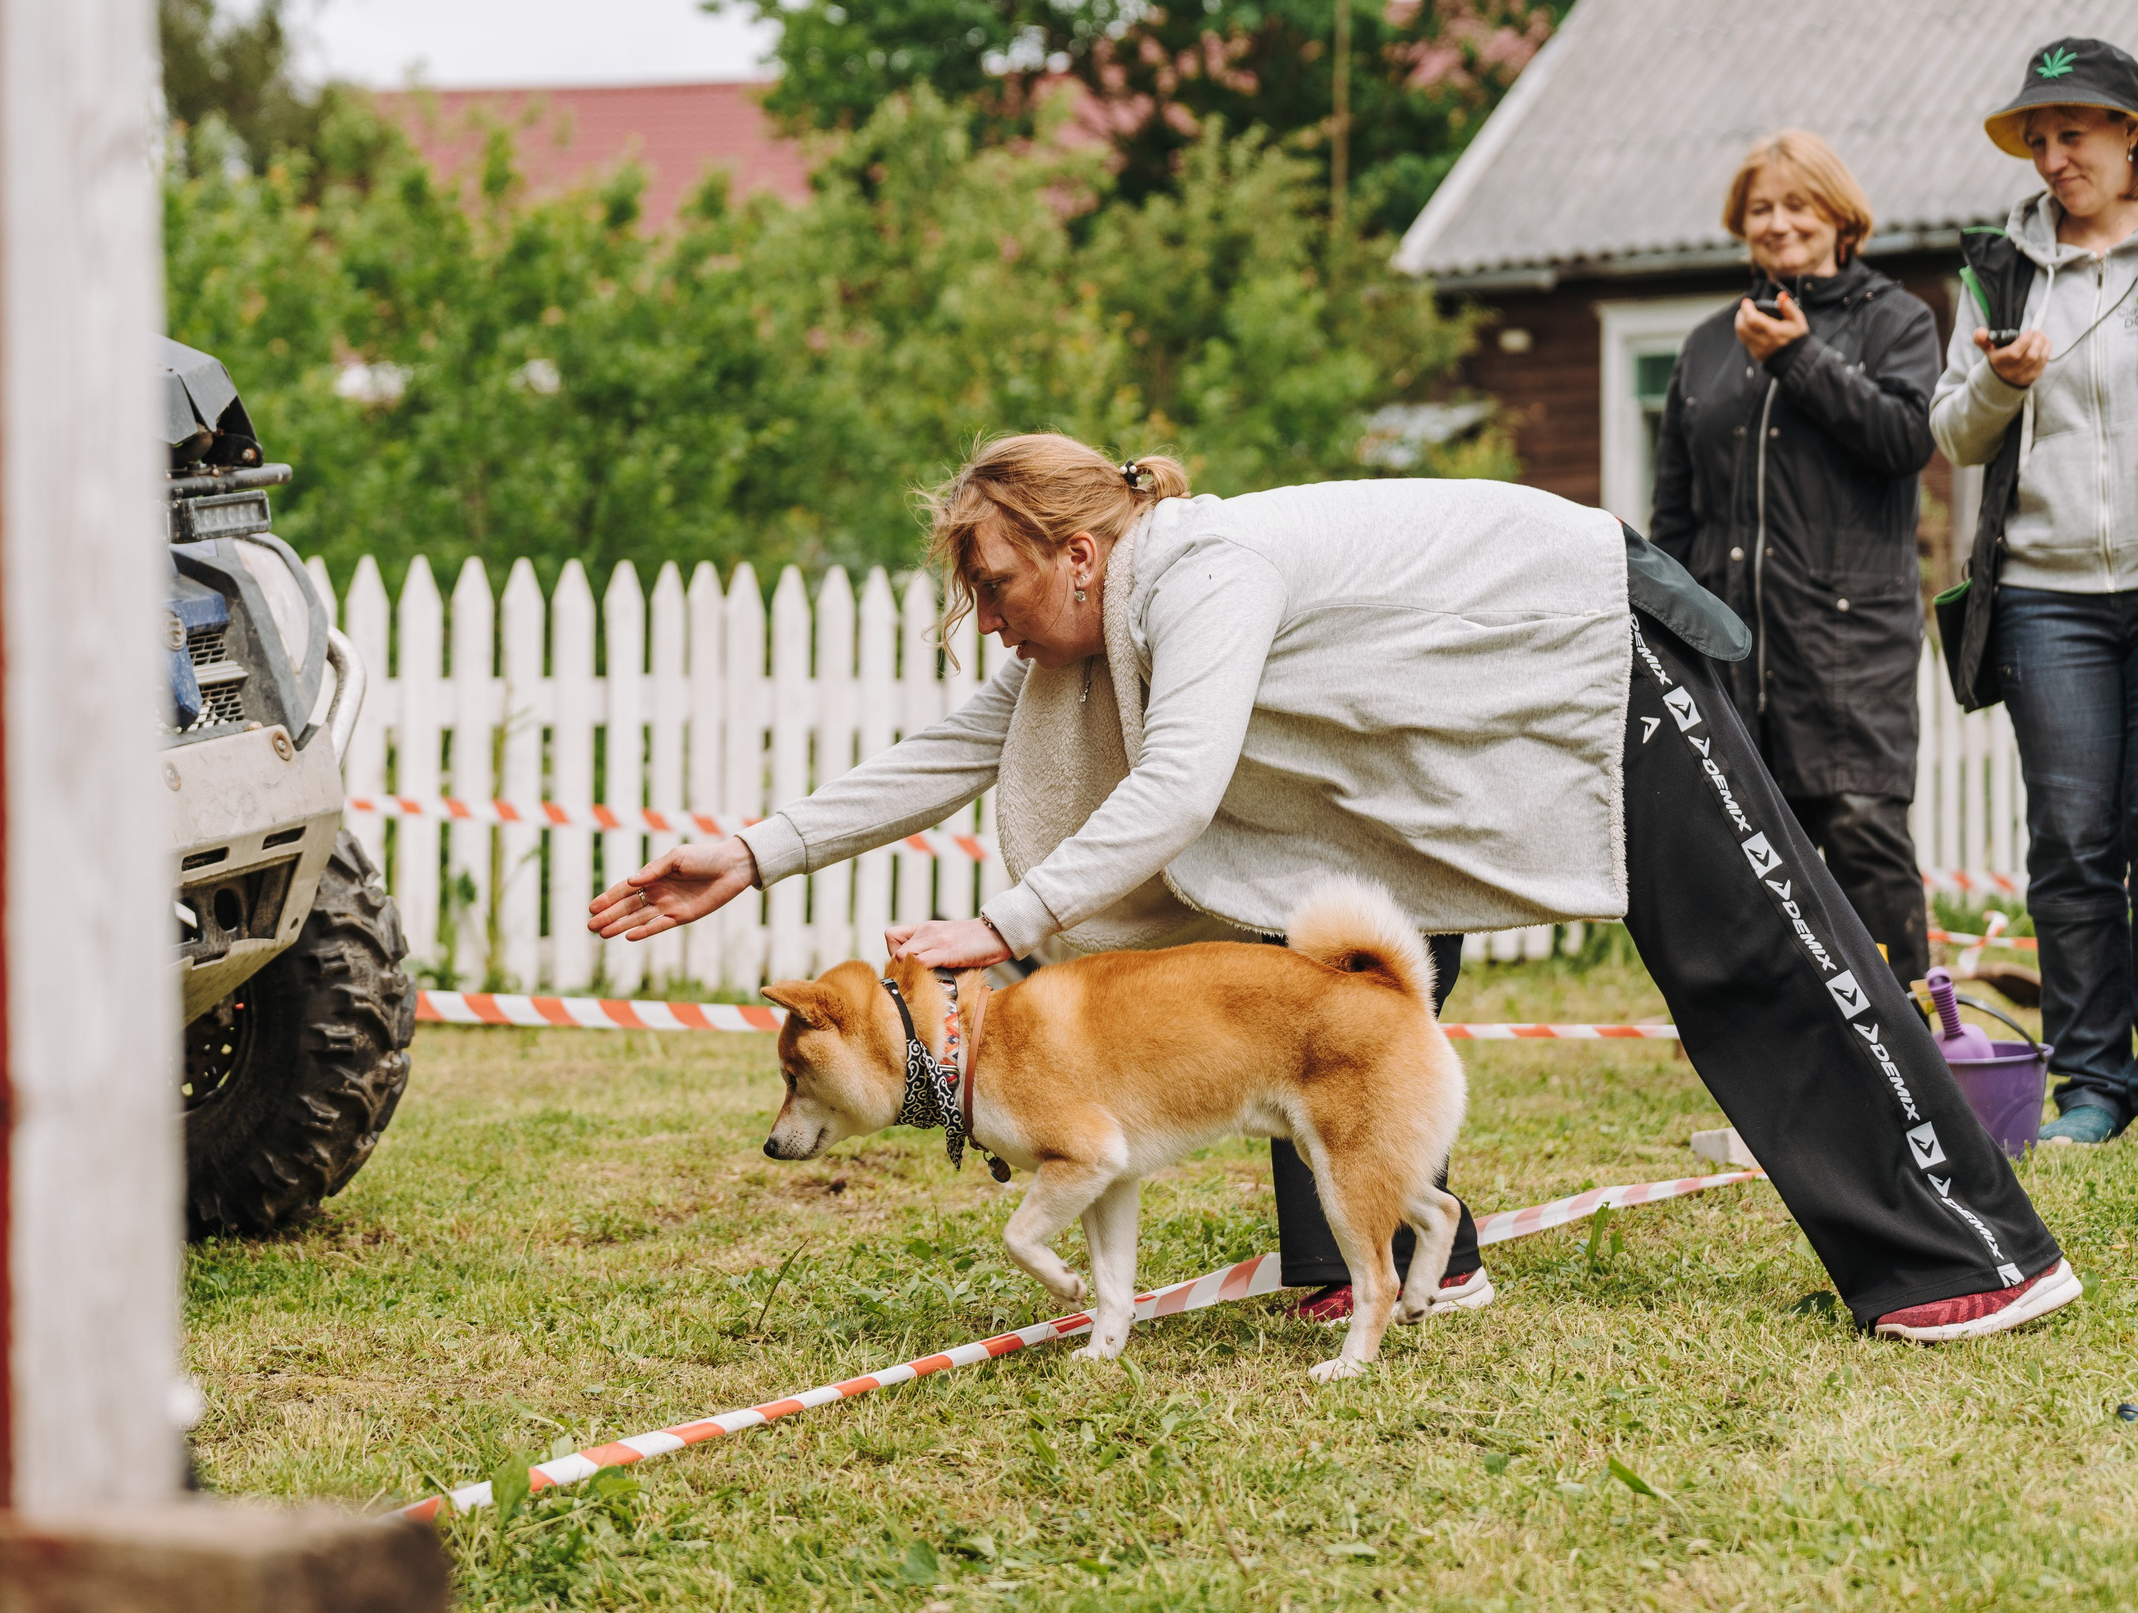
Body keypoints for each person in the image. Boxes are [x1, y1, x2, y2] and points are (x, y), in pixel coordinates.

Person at [590, 435, 2080, 1342]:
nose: (982, 616)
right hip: (1430, 741)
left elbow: (1177, 786)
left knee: (1750, 954)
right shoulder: (1096, 623)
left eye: (992, 583)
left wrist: (1006, 926)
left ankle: (1968, 1257)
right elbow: (948, 751)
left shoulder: (1205, 571)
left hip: (1585, 648)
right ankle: (1398, 1264)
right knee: (1295, 954)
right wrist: (754, 851)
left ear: (1078, 552)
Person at [1649, 131, 1942, 985]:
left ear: (1841, 216)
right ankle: (1753, 1045)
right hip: (1728, 645)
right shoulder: (1708, 344)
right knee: (1735, 854)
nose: (1778, 224)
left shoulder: (1897, 321)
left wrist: (1798, 358)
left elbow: (1907, 439)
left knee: (1860, 831)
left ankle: (1905, 1036)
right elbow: (1676, 512)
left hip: (1848, 645)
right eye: (1761, 209)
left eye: (1797, 205)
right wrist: (1663, 628)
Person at [1933, 37, 2138, 1147]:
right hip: (2047, 599)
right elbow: (1952, 434)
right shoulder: (1997, 268)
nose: (2055, 156)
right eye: (2038, 138)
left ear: (2129, 134)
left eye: (2075, 132)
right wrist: (2002, 385)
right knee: (2071, 845)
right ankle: (2094, 1086)